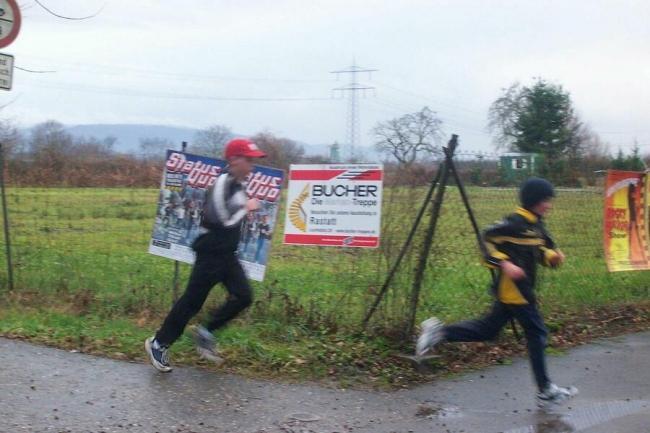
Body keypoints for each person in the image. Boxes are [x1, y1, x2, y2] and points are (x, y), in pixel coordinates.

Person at [416, 177, 578, 406]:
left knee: (488, 329)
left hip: (520, 290)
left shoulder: (536, 226)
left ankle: (440, 333)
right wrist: (505, 264)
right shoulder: (514, 223)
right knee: (537, 333)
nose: (549, 205)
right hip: (515, 290)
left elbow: (537, 251)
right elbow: (486, 243)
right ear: (534, 200)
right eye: (546, 200)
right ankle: (545, 389)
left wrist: (552, 257)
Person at [145, 138, 266, 372]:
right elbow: (222, 219)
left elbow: (234, 216)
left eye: (253, 161)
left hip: (226, 254)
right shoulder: (222, 183)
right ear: (233, 160)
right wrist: (246, 208)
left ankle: (205, 332)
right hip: (211, 253)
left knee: (243, 296)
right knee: (192, 302)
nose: (252, 166)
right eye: (248, 160)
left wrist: (244, 208)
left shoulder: (238, 185)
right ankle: (158, 343)